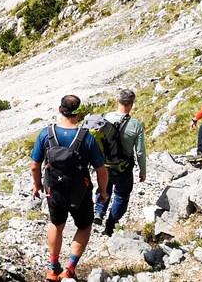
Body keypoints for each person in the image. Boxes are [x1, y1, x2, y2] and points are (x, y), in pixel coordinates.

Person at [31, 95, 109, 281]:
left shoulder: (46, 133)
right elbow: (101, 169)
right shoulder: (86, 137)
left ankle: (52, 268)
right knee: (84, 225)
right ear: (79, 113)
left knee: (57, 224)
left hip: (54, 190)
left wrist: (37, 185)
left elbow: (35, 165)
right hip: (80, 192)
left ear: (60, 109)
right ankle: (70, 269)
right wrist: (103, 191)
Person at [94, 89, 147, 237]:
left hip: (103, 165)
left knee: (104, 188)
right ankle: (110, 225)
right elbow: (140, 151)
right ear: (131, 104)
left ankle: (99, 211)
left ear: (117, 100)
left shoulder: (104, 118)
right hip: (123, 168)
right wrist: (143, 171)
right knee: (121, 196)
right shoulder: (136, 125)